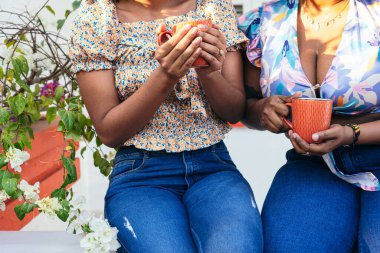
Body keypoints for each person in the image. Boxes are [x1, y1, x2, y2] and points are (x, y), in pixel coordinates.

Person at [69, 0, 263, 252]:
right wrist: (167, 75)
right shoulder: (97, 18)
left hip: (212, 167)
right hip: (141, 175)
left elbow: (233, 110)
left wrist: (208, 70)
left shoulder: (213, 7)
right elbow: (108, 130)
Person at [239, 0, 380, 252]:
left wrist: (351, 134)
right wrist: (261, 110)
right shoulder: (266, 19)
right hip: (313, 164)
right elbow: (247, 106)